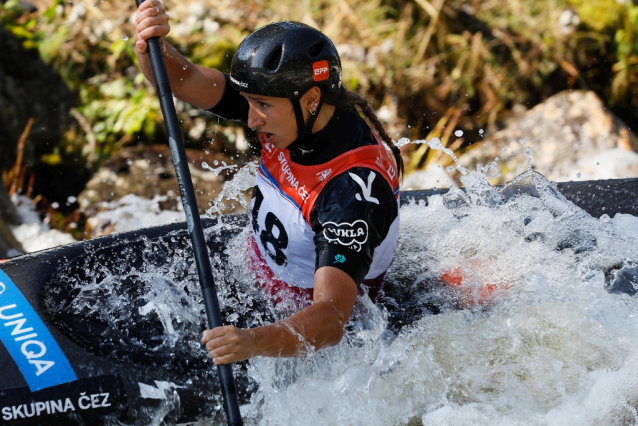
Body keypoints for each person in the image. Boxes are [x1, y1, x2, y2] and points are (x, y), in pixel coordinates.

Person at [134, 0, 403, 365]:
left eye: (260, 105)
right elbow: (185, 80)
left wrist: (249, 343)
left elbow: (331, 320)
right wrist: (152, 44)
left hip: (308, 346)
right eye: (247, 102)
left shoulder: (351, 193)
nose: (250, 119)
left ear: (311, 99)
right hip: (251, 284)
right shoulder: (287, 113)